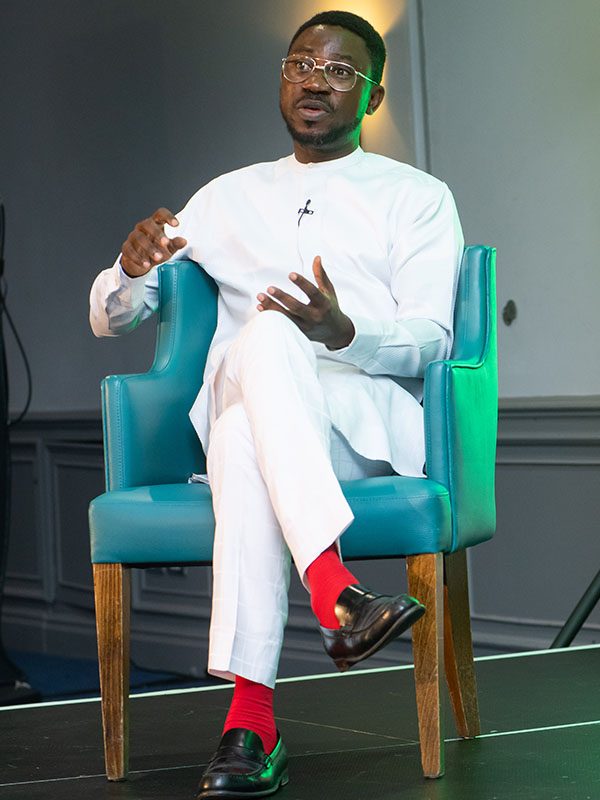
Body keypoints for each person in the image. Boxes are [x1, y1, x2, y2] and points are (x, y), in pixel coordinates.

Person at [90, 10, 464, 798]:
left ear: (373, 95)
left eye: (339, 70)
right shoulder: (224, 197)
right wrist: (127, 270)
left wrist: (342, 331)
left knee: (238, 437)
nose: (314, 81)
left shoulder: (418, 198)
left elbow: (434, 340)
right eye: (301, 64)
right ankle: (335, 594)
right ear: (283, 78)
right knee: (262, 339)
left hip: (353, 430)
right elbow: (111, 317)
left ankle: (252, 722)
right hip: (258, 396)